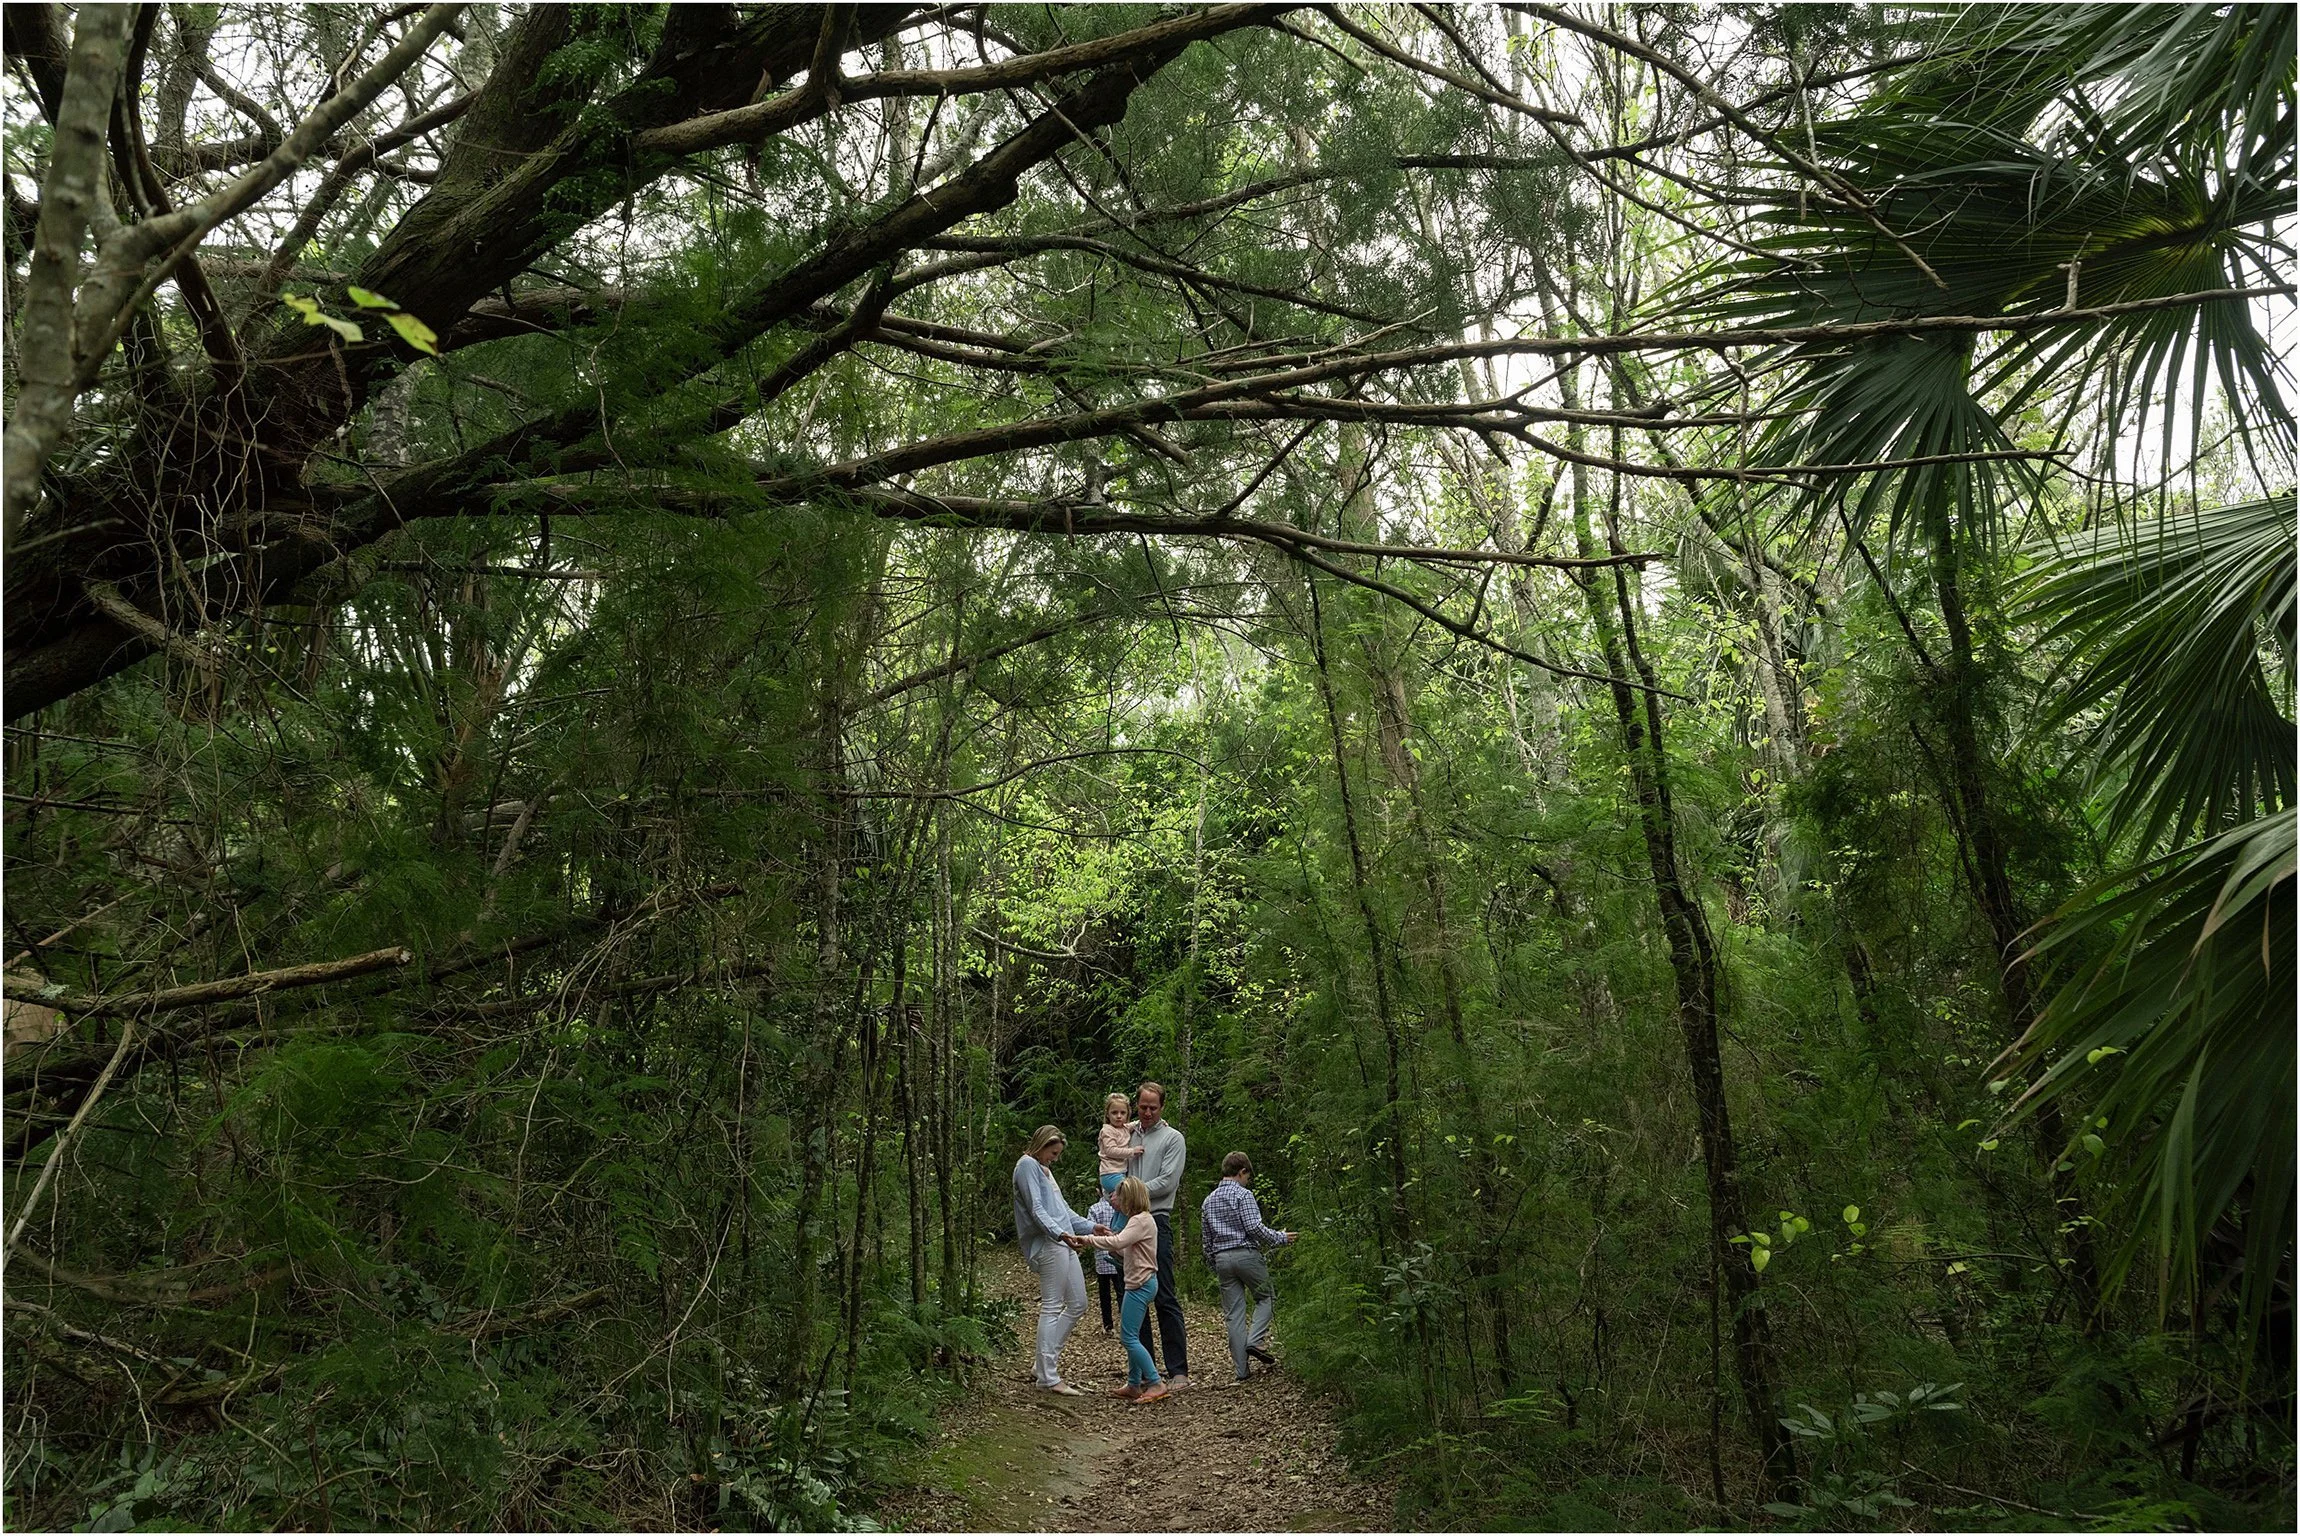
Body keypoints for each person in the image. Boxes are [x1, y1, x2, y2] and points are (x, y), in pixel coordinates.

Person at [1010, 1125, 1103, 1395]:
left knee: (1078, 1303)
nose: (1055, 1158)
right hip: (1049, 1244)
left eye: (1057, 1153)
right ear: (1041, 1145)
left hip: (1062, 1241)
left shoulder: (1044, 1170)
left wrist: (1089, 1227)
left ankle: (1043, 1363)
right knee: (1052, 1305)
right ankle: (1048, 1377)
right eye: (1053, 1152)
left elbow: (1062, 1210)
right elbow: (1036, 1209)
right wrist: (1061, 1234)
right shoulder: (1027, 1165)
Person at [1066, 1176, 1168, 1403]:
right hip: (1142, 1282)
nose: (1116, 1200)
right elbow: (1126, 1249)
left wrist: (1086, 1239)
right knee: (1132, 1335)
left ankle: (1155, 1382)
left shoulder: (1140, 1220)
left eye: (1119, 1196)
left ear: (1130, 1198)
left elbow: (1119, 1243)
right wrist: (1113, 1241)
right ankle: (1134, 1384)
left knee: (1128, 1337)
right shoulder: (1141, 1220)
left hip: (1139, 1285)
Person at [1200, 1151, 1295, 1384]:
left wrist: (1215, 1263)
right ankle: (1255, 1340)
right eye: (1247, 1176)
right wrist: (1280, 1238)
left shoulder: (1208, 1200)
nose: (1247, 1181)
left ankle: (1241, 1371)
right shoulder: (1243, 1195)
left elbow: (1206, 1240)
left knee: (1234, 1315)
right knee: (1267, 1297)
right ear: (1242, 1172)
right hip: (1246, 1255)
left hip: (1222, 1258)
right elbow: (1254, 1227)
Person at [1133, 1081, 1190, 1388]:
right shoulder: (1127, 1135)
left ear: (1162, 1107)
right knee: (1133, 1297)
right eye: (1143, 1107)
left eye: (1154, 1108)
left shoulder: (1172, 1138)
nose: (1148, 1113)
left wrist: (1130, 1192)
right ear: (1136, 1105)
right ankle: (1145, 1370)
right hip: (1127, 1223)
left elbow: (1167, 1182)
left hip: (1156, 1220)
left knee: (1164, 1294)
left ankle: (1178, 1369)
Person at [1095, 1092, 1143, 1202]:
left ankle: (1117, 1219)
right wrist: (1132, 1151)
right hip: (1110, 1173)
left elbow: (1138, 1123)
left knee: (1122, 1205)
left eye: (1123, 1113)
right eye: (1114, 1112)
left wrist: (1160, 1122)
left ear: (1128, 1114)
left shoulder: (1125, 1128)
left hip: (1119, 1173)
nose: (1119, 1116)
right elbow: (1110, 1150)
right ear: (1107, 1114)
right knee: (1131, 1196)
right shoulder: (1107, 1130)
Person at [1087, 1187, 1123, 1332]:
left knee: (1104, 1294)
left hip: (1101, 1258)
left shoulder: (1094, 1208)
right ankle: (1124, 1323)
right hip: (1119, 1255)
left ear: (1098, 1191)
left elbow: (1090, 1229)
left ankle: (1108, 1325)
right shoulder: (1121, 1207)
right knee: (1121, 1292)